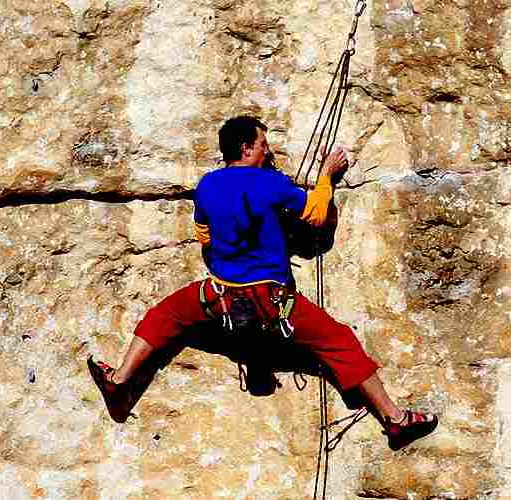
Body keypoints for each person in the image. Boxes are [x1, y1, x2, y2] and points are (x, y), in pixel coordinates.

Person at [87, 115, 437, 450]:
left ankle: (119, 380)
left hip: (219, 295)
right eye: (263, 145)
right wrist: (327, 174)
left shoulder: (207, 185)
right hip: (271, 299)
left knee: (166, 316)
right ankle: (394, 417)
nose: (267, 151)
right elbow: (316, 215)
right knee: (338, 341)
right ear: (247, 148)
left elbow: (204, 235)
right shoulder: (270, 183)